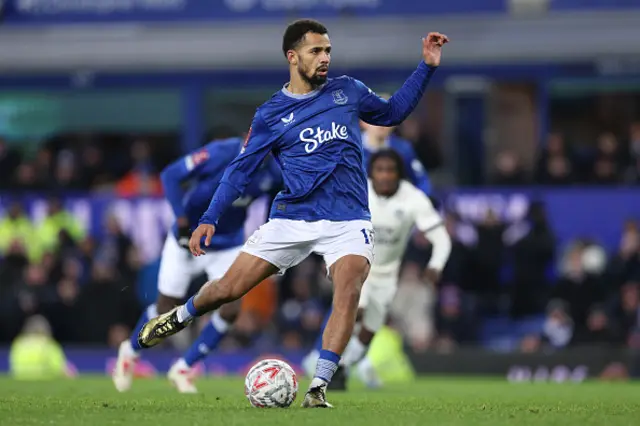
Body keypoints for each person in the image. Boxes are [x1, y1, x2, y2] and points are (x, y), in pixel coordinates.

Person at [135, 19, 448, 408]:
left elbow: (393, 113)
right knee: (228, 290)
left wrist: (427, 66)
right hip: (292, 217)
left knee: (349, 289)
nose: (325, 58)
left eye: (328, 51)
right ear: (292, 56)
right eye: (316, 51)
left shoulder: (347, 91)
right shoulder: (270, 114)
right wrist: (209, 218)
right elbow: (239, 172)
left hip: (348, 218)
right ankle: (178, 316)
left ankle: (318, 387)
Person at [112, 136, 282, 393]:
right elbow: (171, 175)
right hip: (189, 236)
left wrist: (271, 229)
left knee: (231, 309)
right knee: (164, 308)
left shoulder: (273, 170)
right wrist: (181, 221)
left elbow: (277, 195)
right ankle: (130, 351)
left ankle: (184, 368)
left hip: (227, 243)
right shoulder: (220, 153)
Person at [306, 150, 451, 390]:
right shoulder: (358, 192)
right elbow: (333, 227)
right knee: (356, 309)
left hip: (387, 276)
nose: (384, 176)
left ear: (399, 174)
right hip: (357, 266)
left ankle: (342, 367)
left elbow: (442, 239)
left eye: (390, 170)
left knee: (369, 332)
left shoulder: (413, 199)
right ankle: (324, 361)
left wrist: (435, 266)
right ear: (371, 173)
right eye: (379, 170)